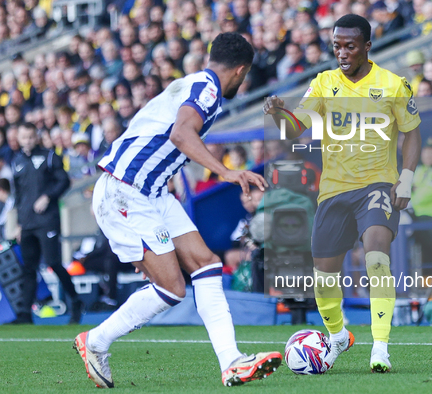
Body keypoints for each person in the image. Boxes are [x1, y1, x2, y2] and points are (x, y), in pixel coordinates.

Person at [73, 33, 281, 389]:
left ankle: (231, 362)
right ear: (241, 70)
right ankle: (96, 341)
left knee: (207, 263)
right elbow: (182, 136)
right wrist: (227, 172)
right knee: (172, 288)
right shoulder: (209, 89)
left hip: (151, 192)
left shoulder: (194, 83)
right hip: (126, 190)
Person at [264, 14, 421, 373]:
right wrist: (277, 114)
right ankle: (337, 336)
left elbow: (412, 131)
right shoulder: (322, 84)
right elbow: (293, 131)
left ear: (367, 46)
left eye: (350, 46)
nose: (342, 52)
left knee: (376, 254)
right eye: (336, 45)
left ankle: (380, 347)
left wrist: (407, 177)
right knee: (323, 275)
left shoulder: (392, 85)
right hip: (334, 192)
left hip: (378, 185)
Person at [12, 123, 83, 324]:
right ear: (18, 138)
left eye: (30, 137)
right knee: (28, 267)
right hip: (27, 222)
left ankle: (76, 301)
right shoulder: (17, 161)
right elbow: (18, 196)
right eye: (23, 137)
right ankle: (25, 313)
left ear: (36, 137)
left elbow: (64, 181)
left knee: (53, 262)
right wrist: (18, 223)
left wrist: (47, 196)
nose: (27, 141)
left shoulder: (50, 156)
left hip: (47, 220)